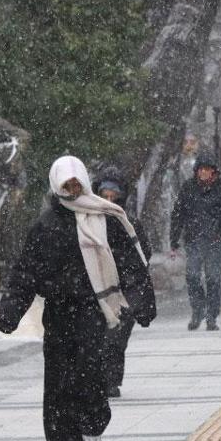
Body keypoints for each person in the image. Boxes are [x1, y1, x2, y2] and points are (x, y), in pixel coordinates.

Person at [0, 156, 156, 441]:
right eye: (66, 185)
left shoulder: (104, 218)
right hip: (58, 310)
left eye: (76, 184)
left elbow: (129, 264)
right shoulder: (45, 226)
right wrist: (10, 313)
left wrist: (142, 303)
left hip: (92, 308)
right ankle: (67, 435)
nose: (72, 190)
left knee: (89, 370)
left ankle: (92, 430)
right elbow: (26, 273)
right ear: (57, 186)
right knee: (59, 374)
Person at [92, 165, 152, 398]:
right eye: (104, 195)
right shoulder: (89, 223)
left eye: (113, 195)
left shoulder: (130, 224)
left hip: (126, 290)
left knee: (116, 337)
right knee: (98, 336)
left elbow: (143, 254)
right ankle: (97, 380)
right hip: (97, 288)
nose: (109, 200)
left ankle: (111, 380)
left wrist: (126, 273)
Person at [170, 150, 221, 331]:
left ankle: (211, 316)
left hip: (214, 242)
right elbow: (178, 214)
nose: (203, 172)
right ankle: (198, 309)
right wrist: (174, 239)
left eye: (207, 169)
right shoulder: (188, 188)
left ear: (213, 171)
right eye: (200, 169)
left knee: (213, 279)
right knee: (192, 276)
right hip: (193, 240)